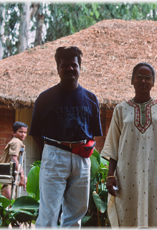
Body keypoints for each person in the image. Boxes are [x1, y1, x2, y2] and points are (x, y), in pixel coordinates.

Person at [30, 46, 102, 227]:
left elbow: (93, 133)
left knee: (76, 212)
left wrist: (79, 149)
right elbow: (36, 133)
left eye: (74, 65)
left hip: (81, 157)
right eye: (65, 65)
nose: (70, 68)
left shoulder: (91, 98)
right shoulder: (45, 98)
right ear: (58, 68)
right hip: (54, 154)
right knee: (49, 212)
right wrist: (53, 151)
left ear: (79, 68)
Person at [101, 62, 157, 227]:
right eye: (139, 77)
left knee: (155, 216)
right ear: (132, 81)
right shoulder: (121, 109)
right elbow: (113, 144)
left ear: (153, 82)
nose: (143, 81)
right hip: (127, 175)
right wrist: (111, 175)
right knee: (127, 216)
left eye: (147, 78)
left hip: (155, 175)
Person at [0, 121, 28, 199]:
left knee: (9, 199)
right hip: (7, 173)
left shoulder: (16, 141)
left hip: (7, 173)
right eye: (20, 132)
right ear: (13, 132)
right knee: (10, 201)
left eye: (25, 132)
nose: (23, 134)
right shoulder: (16, 142)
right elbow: (14, 159)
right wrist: (22, 176)